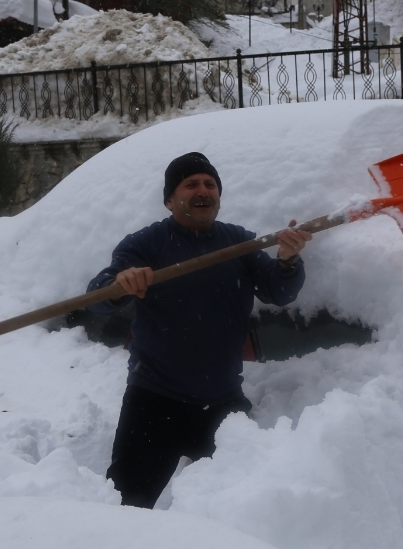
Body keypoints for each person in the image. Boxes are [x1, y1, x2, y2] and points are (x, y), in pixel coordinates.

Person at [86, 152, 311, 508]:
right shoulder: (145, 244)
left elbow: (278, 291)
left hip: (222, 402)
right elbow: (97, 298)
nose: (203, 190)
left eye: (210, 184)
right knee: (128, 506)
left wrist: (287, 260)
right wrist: (119, 283)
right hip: (154, 401)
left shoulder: (239, 243)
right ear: (169, 200)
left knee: (239, 509)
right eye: (191, 184)